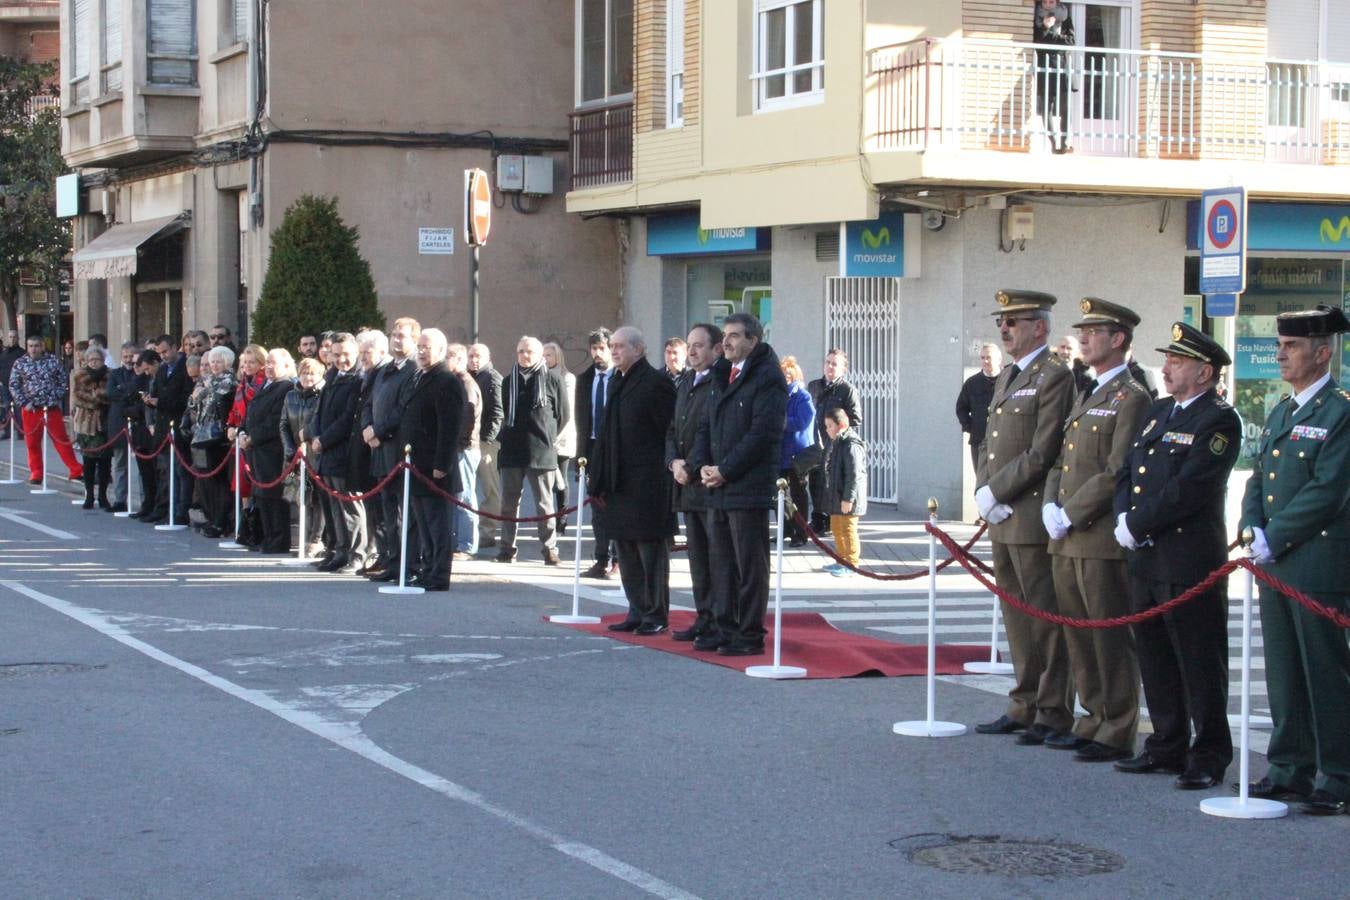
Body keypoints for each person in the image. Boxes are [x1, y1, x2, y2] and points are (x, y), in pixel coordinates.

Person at [1112, 322, 1240, 790]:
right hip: (1146, 556)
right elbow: (1129, 470)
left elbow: (1189, 488)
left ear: (1204, 372)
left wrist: (1139, 523)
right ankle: (1166, 743)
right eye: (1167, 359)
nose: (1166, 368)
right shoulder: (1160, 412)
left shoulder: (1218, 419)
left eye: (1178, 361)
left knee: (1199, 661)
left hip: (1187, 559)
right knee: (1154, 654)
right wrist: (1124, 518)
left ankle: (1208, 753)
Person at [1241, 305, 1350, 816]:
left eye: (1292, 346)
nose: (1281, 353)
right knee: (1284, 672)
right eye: (1280, 344)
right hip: (1277, 560)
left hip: (1317, 561)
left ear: (1323, 353)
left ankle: (1340, 774)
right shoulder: (1283, 411)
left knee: (1325, 673)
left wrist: (1276, 535)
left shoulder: (1340, 411)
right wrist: (1251, 525)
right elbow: (1259, 478)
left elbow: (1329, 489)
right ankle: (1289, 768)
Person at [1040, 299, 1150, 763]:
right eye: (1081, 331)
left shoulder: (1133, 396)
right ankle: (1091, 717)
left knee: (1108, 637)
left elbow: (1116, 469)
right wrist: (1049, 502)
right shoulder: (1089, 391)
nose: (1083, 338)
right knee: (1078, 634)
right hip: (1066, 534)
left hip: (1099, 534)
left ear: (1118, 339)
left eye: (1094, 331)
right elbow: (1063, 460)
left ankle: (1118, 725)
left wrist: (1071, 511)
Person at [973, 290, 1076, 746]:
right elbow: (990, 441)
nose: (1004, 328)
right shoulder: (1010, 375)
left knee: (1043, 617)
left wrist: (997, 489)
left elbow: (1044, 449)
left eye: (1014, 321)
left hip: (1029, 512)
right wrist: (982, 489)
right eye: (1002, 321)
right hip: (1002, 513)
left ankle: (1051, 710)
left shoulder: (1054, 375)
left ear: (1040, 327)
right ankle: (1023, 702)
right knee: (1016, 615)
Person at [689, 312, 788, 656]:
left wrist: (726, 470)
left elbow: (763, 434)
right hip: (717, 486)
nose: (726, 341)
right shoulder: (720, 373)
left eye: (734, 336)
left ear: (752, 341)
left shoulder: (768, 377)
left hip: (747, 487)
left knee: (749, 567)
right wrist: (701, 465)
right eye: (725, 335)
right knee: (722, 564)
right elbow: (706, 426)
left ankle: (748, 635)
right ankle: (724, 627)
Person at [590, 326, 677, 634]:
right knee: (626, 549)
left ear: (639, 350)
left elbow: (669, 432)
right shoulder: (616, 380)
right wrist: (597, 478)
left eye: (620, 346)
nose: (614, 351)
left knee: (650, 552)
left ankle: (655, 614)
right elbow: (605, 434)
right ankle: (637, 610)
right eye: (612, 346)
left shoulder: (655, 383)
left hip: (648, 482)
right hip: (619, 481)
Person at [666, 323, 728, 642]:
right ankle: (703, 615)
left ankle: (720, 620)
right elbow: (673, 428)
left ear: (717, 349)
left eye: (699, 346)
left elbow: (710, 431)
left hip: (709, 483)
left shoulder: (720, 381)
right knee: (697, 558)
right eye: (689, 345)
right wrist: (673, 462)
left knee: (716, 557)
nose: (691, 352)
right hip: (686, 482)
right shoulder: (687, 380)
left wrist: (691, 466)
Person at [397, 328, 464, 591]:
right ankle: (427, 569)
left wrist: (441, 464)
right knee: (424, 524)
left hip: (435, 467)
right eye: (420, 346)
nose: (421, 351)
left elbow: (449, 427)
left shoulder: (447, 381)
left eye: (427, 347)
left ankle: (439, 574)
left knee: (438, 525)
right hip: (416, 465)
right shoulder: (420, 377)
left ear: (440, 350)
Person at [497, 336, 565, 565]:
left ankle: (549, 548)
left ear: (539, 355)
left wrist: (547, 435)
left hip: (541, 450)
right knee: (508, 503)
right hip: (512, 450)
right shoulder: (508, 382)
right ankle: (506, 547)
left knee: (544, 504)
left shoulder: (553, 380)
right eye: (521, 351)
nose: (525, 355)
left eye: (530, 352)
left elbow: (562, 415)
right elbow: (506, 413)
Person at [363, 318, 419, 581]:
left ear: (414, 340)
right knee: (387, 510)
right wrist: (367, 427)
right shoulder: (386, 370)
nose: (397, 339)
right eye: (394, 335)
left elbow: (403, 409)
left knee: (404, 513)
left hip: (398, 451)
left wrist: (379, 430)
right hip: (379, 451)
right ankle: (392, 561)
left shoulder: (413, 370)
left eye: (403, 336)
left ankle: (407, 565)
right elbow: (369, 402)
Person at [308, 332, 365, 573]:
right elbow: (319, 412)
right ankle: (339, 550)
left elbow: (347, 418)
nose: (342, 360)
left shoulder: (357, 380)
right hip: (325, 452)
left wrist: (324, 439)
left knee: (349, 506)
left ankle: (356, 554)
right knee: (333, 506)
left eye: (347, 355)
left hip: (342, 451)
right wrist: (314, 435)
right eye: (337, 354)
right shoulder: (331, 377)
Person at [8, 335, 83, 484]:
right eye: (30, 346)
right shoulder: (20, 363)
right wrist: (24, 402)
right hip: (31, 410)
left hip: (51, 408)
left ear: (42, 347)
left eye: (36, 345)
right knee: (32, 443)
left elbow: (63, 381)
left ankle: (75, 469)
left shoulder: (52, 361)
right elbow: (14, 385)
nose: (33, 349)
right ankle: (36, 472)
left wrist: (55, 397)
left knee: (61, 440)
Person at [242, 350, 296, 554]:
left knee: (273, 496)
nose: (269, 367)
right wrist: (242, 431)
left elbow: (275, 420)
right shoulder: (266, 385)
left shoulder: (286, 387)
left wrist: (252, 437)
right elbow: (251, 411)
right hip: (257, 450)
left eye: (274, 363)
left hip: (272, 450)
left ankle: (279, 539)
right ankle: (267, 535)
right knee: (261, 495)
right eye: (268, 363)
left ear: (285, 365)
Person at [575, 328, 618, 578]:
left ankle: (617, 558)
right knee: (597, 509)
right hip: (591, 448)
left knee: (615, 506)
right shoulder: (585, 378)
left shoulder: (620, 377)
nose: (597, 353)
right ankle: (600, 558)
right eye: (594, 348)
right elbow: (582, 419)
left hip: (614, 448)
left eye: (602, 348)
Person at [807, 349, 863, 533]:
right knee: (815, 479)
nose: (830, 366)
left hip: (835, 443)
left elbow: (855, 419)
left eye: (834, 364)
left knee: (829, 480)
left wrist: (838, 429)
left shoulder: (847, 390)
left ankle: (829, 518)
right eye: (828, 362)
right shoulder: (814, 386)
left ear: (843, 369)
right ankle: (817, 517)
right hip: (816, 441)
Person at [188, 346, 237, 537]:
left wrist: (201, 393)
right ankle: (212, 517)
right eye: (212, 361)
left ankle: (220, 521)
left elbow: (218, 400)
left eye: (219, 361)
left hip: (218, 437)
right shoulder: (206, 380)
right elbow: (192, 404)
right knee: (204, 479)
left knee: (218, 481)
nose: (214, 365)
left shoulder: (229, 382)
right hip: (201, 434)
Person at [143, 334, 192, 525]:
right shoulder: (163, 370)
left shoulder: (185, 367)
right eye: (159, 353)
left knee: (182, 471)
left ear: (174, 347)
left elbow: (186, 399)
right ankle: (168, 508)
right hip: (164, 429)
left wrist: (160, 402)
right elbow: (157, 394)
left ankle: (181, 511)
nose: (162, 356)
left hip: (179, 426)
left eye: (165, 351)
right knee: (167, 472)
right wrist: (151, 401)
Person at [350, 331, 387, 571]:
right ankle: (378, 554)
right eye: (360, 352)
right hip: (365, 444)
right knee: (373, 507)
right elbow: (366, 407)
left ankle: (383, 555)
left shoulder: (384, 373)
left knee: (383, 509)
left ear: (381, 353)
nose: (363, 357)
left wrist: (375, 431)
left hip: (382, 447)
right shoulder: (367, 374)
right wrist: (366, 427)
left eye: (367, 352)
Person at [282, 356, 326, 553]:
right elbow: (283, 424)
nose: (308, 377)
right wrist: (290, 449)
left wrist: (310, 442)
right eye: (304, 373)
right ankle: (302, 538)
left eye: (312, 373)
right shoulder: (291, 396)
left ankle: (315, 539)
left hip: (316, 455)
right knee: (300, 497)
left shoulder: (322, 395)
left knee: (317, 499)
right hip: (295, 456)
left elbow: (320, 422)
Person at [821, 407, 867, 577]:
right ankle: (841, 560)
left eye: (830, 426)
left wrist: (848, 498)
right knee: (837, 528)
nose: (827, 430)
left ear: (841, 425)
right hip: (837, 496)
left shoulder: (850, 445)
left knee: (848, 529)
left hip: (848, 498)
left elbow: (854, 475)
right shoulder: (838, 443)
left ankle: (852, 563)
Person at [447, 343, 482, 560]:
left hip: (465, 449)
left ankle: (467, 545)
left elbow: (467, 417)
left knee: (465, 497)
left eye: (448, 357)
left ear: (459, 359)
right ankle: (456, 542)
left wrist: (458, 443)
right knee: (456, 496)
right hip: (459, 447)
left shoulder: (467, 384)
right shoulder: (456, 382)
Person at [468, 342, 504, 550]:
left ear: (488, 357)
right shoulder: (470, 376)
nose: (474, 359)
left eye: (478, 356)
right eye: (471, 355)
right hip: (470, 440)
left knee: (489, 488)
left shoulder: (492, 377)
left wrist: (488, 440)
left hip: (486, 442)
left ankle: (488, 531)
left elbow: (498, 412)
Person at [778, 355, 816, 546]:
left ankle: (800, 534)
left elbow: (804, 421)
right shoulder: (778, 395)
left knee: (798, 495)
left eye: (787, 375)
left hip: (797, 454)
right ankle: (785, 529)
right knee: (781, 495)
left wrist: (782, 422)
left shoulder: (803, 396)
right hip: (781, 453)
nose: (785, 378)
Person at [71, 347, 113, 509]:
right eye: (91, 360)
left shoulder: (109, 374)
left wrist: (98, 395)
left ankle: (103, 495)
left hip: (105, 422)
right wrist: (96, 398)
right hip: (86, 423)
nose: (95, 363)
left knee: (104, 462)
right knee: (88, 461)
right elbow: (79, 397)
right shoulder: (80, 375)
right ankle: (89, 495)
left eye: (98, 360)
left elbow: (110, 395)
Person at [543, 341, 576, 535]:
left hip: (561, 436)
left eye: (549, 355)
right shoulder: (541, 375)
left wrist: (556, 436)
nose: (545, 358)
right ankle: (547, 520)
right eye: (544, 355)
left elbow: (567, 410)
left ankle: (561, 518)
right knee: (545, 481)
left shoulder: (567, 377)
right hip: (545, 437)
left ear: (557, 357)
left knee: (560, 480)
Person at [1034, 0, 1075, 154]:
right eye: (1045, 1)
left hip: (1062, 66)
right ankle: (1054, 143)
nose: (1049, 4)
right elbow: (1037, 41)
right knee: (1047, 108)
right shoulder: (1037, 17)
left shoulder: (1064, 16)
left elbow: (1070, 41)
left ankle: (1064, 143)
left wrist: (1050, 34)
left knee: (1066, 107)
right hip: (1045, 67)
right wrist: (1045, 27)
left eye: (1052, 1)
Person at [104, 341, 141, 512]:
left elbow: (139, 391)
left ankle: (144, 501)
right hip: (119, 422)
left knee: (142, 465)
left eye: (131, 356)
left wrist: (124, 390)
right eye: (125, 356)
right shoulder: (115, 374)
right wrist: (129, 391)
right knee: (119, 463)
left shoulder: (141, 373)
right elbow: (111, 393)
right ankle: (120, 500)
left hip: (139, 422)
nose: (128, 360)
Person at [956, 343, 1003, 470]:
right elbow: (961, 408)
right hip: (979, 442)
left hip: (1003, 443)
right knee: (981, 483)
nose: (985, 361)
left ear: (999, 359)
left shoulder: (1009, 380)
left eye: (988, 357)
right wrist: (971, 427)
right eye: (982, 358)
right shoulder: (972, 383)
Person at [127, 350, 160, 517]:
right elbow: (128, 398)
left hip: (152, 431)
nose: (142, 370)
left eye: (146, 368)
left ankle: (155, 506)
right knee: (145, 473)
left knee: (155, 473)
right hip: (139, 429)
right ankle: (147, 505)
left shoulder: (156, 378)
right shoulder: (139, 380)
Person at [0, 329, 23, 440]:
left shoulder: (22, 353)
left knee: (19, 408)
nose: (12, 339)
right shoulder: (3, 354)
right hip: (5, 385)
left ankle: (20, 432)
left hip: (18, 386)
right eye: (10, 337)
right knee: (6, 408)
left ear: (17, 338)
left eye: (14, 337)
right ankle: (7, 431)